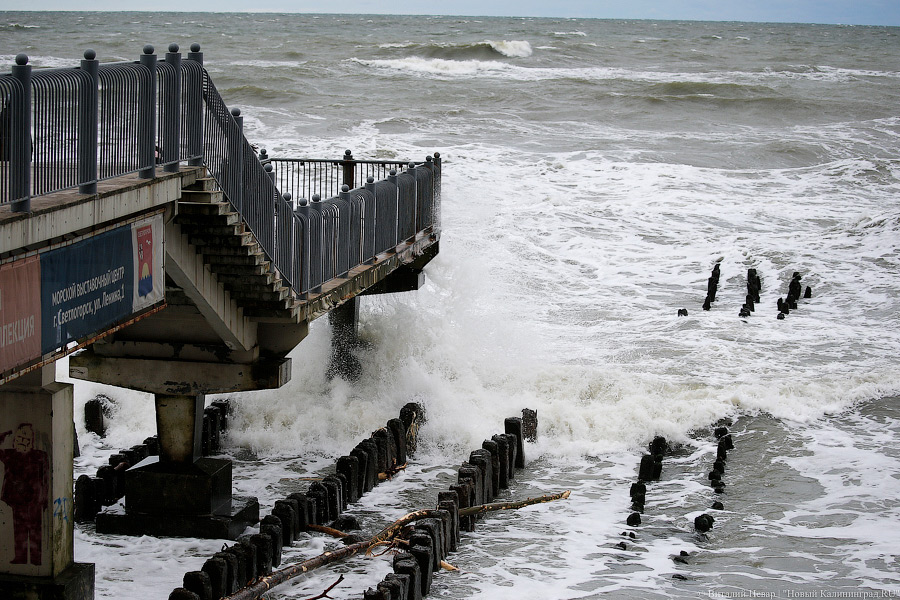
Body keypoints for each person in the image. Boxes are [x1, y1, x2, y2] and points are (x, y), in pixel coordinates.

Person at [0, 423, 49, 565]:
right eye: (19, 437)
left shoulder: (39, 456)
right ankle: (20, 557)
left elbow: (46, 479)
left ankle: (36, 559)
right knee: (19, 531)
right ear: (14, 440)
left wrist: (44, 498)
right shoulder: (10, 455)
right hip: (17, 501)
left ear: (32, 442)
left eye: (26, 438)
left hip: (34, 500)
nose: (22, 441)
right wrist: (4, 434)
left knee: (35, 532)